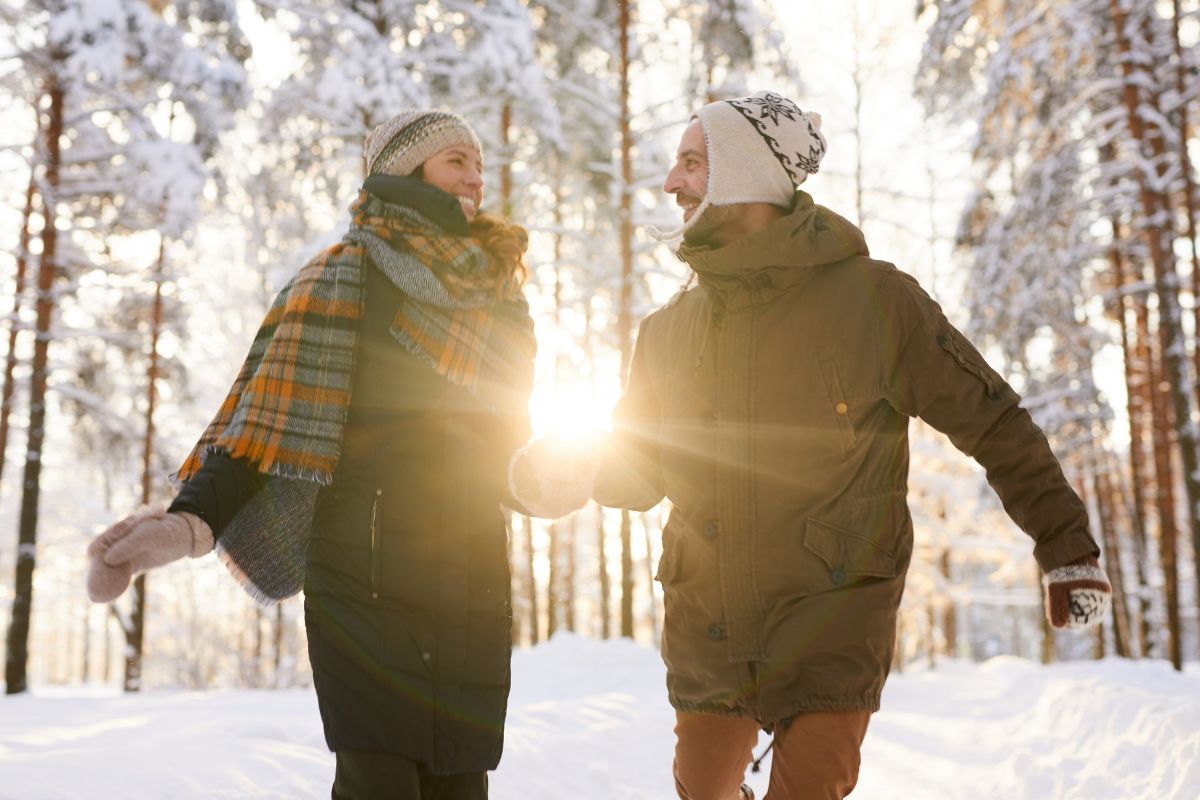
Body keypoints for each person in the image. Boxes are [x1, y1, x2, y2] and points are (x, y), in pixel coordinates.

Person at [512, 90, 1113, 800]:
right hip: (707, 619)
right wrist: (562, 471)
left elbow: (993, 419)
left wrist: (1066, 546)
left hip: (834, 612)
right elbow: (640, 468)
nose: (671, 182)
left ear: (746, 175)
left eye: (693, 163)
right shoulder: (667, 331)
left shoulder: (876, 302)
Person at [86, 110, 538, 800]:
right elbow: (262, 428)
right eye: (456, 160)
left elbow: (510, 449)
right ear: (403, 171)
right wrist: (187, 524)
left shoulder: (501, 297)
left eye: (478, 162)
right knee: (378, 781)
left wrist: (545, 478)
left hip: (470, 577)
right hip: (364, 579)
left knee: (460, 784)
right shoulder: (337, 281)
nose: (476, 176)